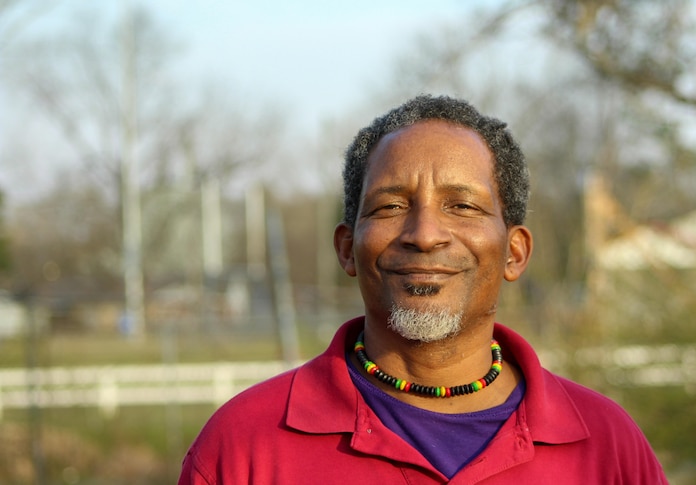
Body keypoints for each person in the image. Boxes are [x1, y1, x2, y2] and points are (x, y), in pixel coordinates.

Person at [178, 95, 669, 484]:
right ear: (347, 249)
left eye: (462, 206)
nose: (425, 233)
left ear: (515, 253)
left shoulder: (607, 447)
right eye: (390, 207)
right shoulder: (244, 445)